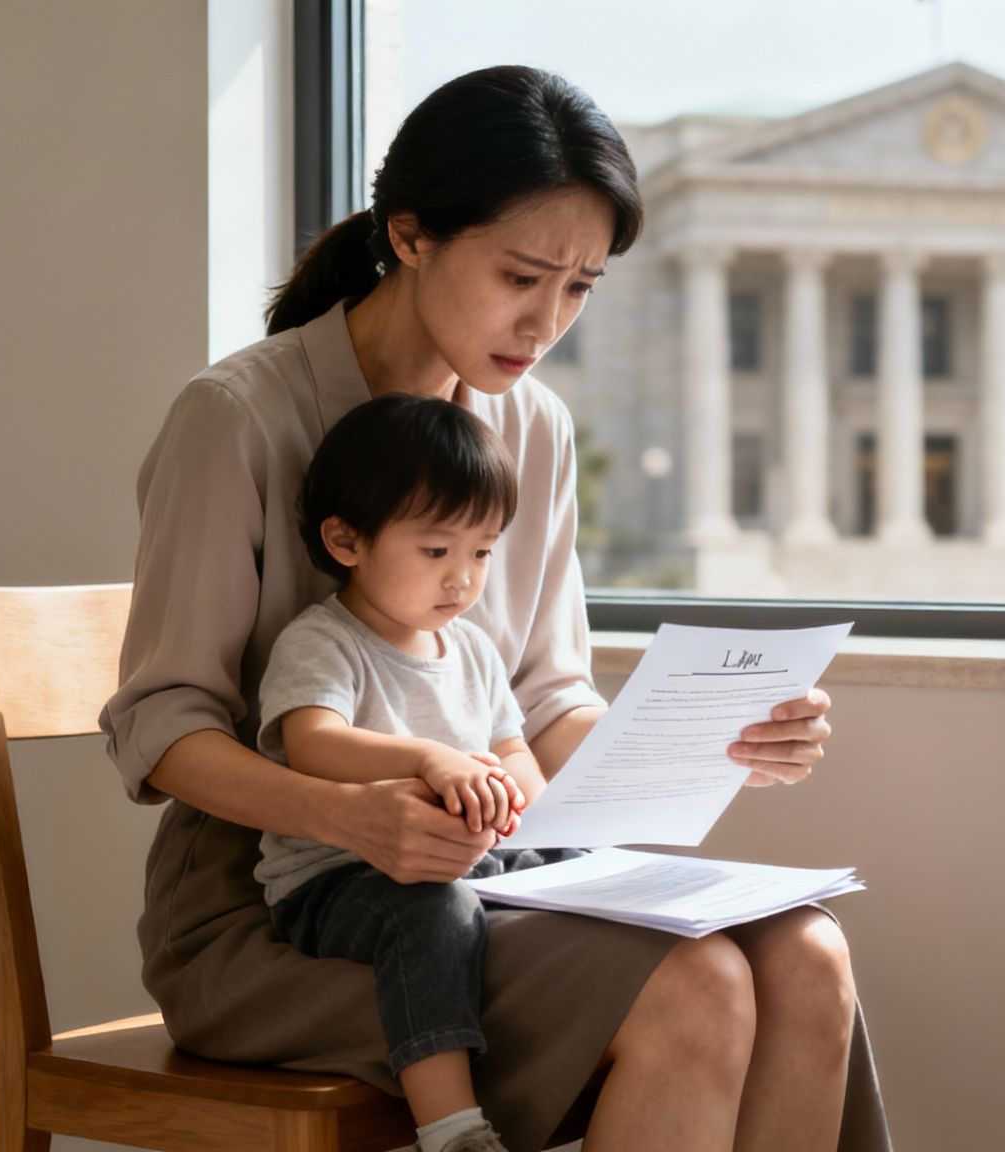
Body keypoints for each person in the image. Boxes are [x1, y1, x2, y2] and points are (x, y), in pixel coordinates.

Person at [101, 64, 890, 1152]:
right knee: (695, 983)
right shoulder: (236, 417)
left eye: (579, 288)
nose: (546, 321)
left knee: (807, 953)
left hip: (491, 877)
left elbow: (545, 696)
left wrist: (714, 746)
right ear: (412, 234)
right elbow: (161, 730)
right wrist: (350, 813)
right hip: (287, 915)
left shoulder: (532, 429)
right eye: (522, 275)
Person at [257, 394, 572, 1152]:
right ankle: (452, 1127)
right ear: (346, 540)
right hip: (336, 881)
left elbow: (513, 751)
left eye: (483, 552)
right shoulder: (323, 641)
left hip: (466, 861)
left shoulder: (472, 649)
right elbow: (313, 744)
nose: (463, 580)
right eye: (437, 552)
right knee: (436, 910)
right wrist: (428, 756)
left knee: (573, 867)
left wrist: (547, 815)